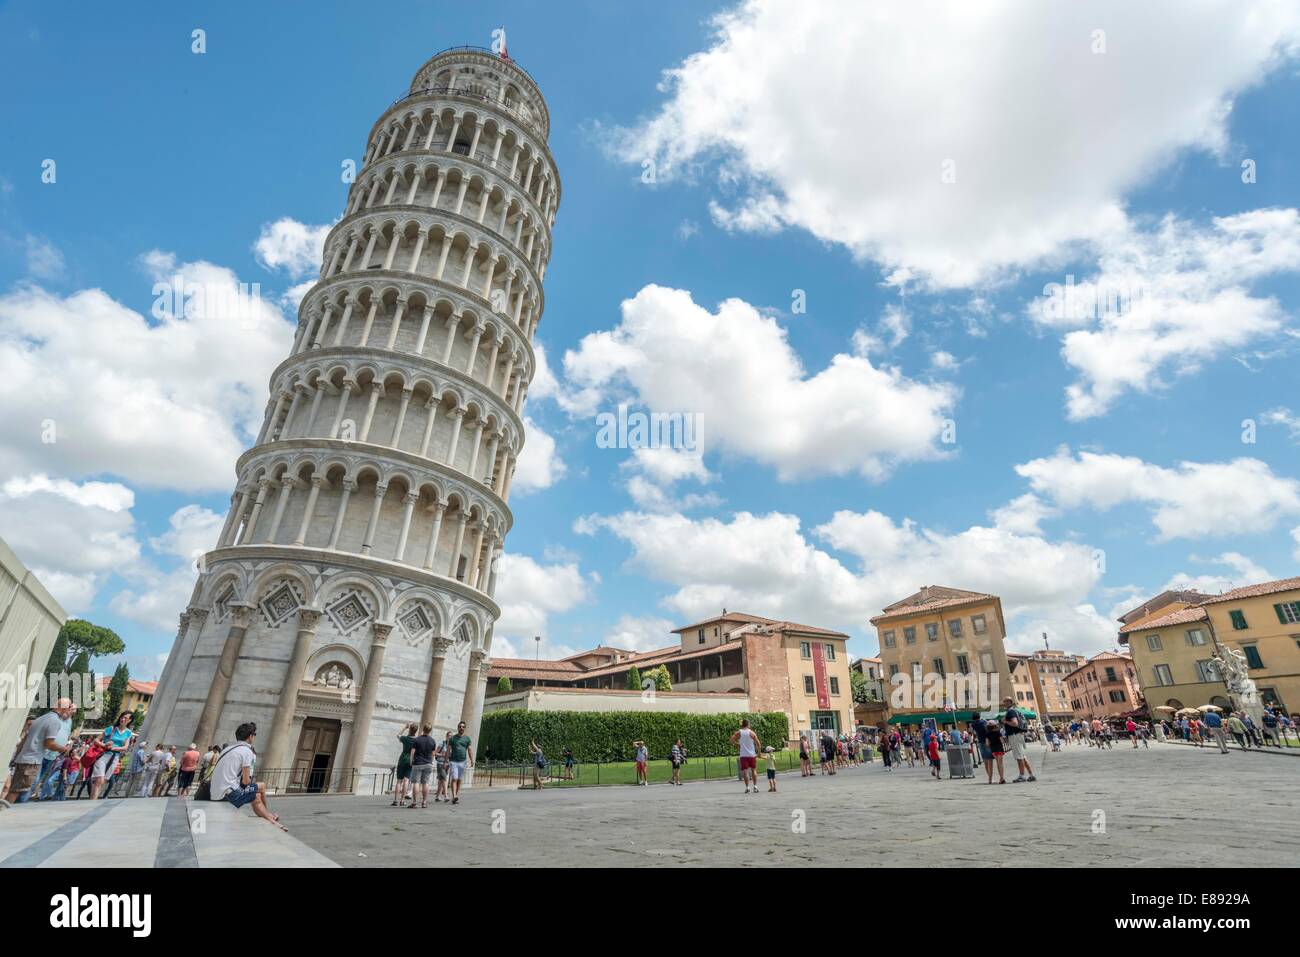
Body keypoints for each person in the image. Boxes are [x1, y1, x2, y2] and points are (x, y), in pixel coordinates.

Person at [207, 722, 284, 830]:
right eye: (254, 735)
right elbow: (246, 781)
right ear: (250, 736)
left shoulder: (227, 749)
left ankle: (270, 818)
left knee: (256, 795)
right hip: (228, 794)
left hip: (214, 792)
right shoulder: (247, 751)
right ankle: (270, 816)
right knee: (260, 788)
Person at [4, 698, 75, 804]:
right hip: (32, 761)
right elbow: (49, 744)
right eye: (69, 707)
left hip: (23, 759)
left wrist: (16, 758)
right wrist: (64, 749)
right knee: (21, 792)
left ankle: (7, 810)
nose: (70, 710)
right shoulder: (55, 721)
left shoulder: (40, 718)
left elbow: (24, 740)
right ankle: (10, 812)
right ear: (64, 708)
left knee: (15, 790)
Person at [89, 711, 135, 799]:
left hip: (115, 757)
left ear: (130, 720)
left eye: (126, 718)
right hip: (104, 755)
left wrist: (113, 748)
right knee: (99, 780)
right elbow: (96, 740)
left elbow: (125, 747)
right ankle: (92, 803)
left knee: (103, 781)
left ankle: (91, 800)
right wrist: (105, 745)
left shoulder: (128, 732)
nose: (123, 719)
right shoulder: (111, 728)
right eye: (122, 717)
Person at [1001, 698, 1035, 783]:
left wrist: (1005, 721)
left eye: (1006, 701)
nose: (1004, 703)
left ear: (1010, 702)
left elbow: (1015, 723)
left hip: (1014, 735)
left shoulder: (1010, 712)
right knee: (1022, 756)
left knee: (1019, 757)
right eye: (1004, 701)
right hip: (1018, 735)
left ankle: (1022, 776)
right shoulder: (1014, 710)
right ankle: (1031, 774)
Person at [407, 724, 437, 807]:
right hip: (428, 763)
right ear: (430, 730)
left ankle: (414, 802)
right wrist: (431, 761)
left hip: (418, 763)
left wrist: (411, 761)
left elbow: (413, 751)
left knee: (416, 783)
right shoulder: (432, 741)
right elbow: (433, 753)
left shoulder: (417, 739)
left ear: (423, 729)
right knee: (425, 783)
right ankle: (424, 802)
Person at [446, 721, 473, 805]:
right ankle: (454, 796)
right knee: (454, 779)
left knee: (459, 780)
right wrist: (446, 761)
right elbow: (448, 750)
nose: (461, 728)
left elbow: (469, 750)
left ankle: (456, 795)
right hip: (453, 761)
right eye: (460, 726)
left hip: (463, 762)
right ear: (458, 728)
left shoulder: (467, 738)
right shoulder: (452, 738)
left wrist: (472, 760)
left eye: (463, 727)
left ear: (465, 728)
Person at [731, 719, 761, 794]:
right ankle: (755, 786)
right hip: (752, 755)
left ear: (742, 725)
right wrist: (759, 753)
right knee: (754, 770)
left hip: (743, 755)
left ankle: (747, 787)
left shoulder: (739, 732)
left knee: (745, 771)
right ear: (748, 724)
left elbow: (731, 740)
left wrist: (738, 744)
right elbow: (758, 744)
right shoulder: (752, 733)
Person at [392, 723, 417, 807]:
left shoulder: (405, 738)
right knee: (406, 780)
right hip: (411, 761)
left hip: (402, 759)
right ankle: (402, 800)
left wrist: (405, 727)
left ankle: (395, 800)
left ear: (410, 730)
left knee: (399, 781)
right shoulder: (416, 740)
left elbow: (398, 735)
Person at [984, 719, 1008, 784]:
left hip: (993, 750)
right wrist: (1003, 739)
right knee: (1000, 764)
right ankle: (1001, 778)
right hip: (999, 749)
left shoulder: (987, 734)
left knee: (998, 763)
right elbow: (1002, 741)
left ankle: (1001, 778)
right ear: (995, 726)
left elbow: (987, 744)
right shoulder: (998, 732)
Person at [434, 732, 451, 802]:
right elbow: (435, 753)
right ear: (446, 736)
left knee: (441, 780)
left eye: (451, 736)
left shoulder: (451, 745)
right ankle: (446, 796)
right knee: (444, 779)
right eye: (449, 736)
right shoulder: (442, 744)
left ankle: (437, 796)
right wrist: (442, 755)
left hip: (447, 764)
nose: (450, 737)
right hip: (441, 763)